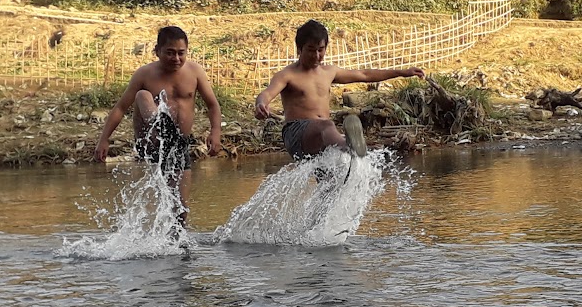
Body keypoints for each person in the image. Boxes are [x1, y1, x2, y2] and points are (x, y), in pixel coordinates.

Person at [94, 26, 223, 220]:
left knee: (180, 209)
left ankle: (177, 246)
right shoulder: (145, 74)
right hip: (150, 139)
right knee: (142, 95)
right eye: (170, 53)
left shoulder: (195, 72)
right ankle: (159, 122)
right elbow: (120, 108)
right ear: (157, 51)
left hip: (178, 144)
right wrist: (104, 139)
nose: (176, 59)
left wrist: (216, 132)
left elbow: (212, 105)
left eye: (181, 53)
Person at [254, 19, 424, 159]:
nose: (316, 56)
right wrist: (261, 105)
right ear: (299, 49)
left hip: (324, 141)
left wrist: (402, 72)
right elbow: (267, 94)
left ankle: (345, 152)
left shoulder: (329, 72)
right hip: (296, 134)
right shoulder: (287, 75)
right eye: (311, 50)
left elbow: (364, 75)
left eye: (321, 50)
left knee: (332, 186)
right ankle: (349, 148)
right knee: (327, 125)